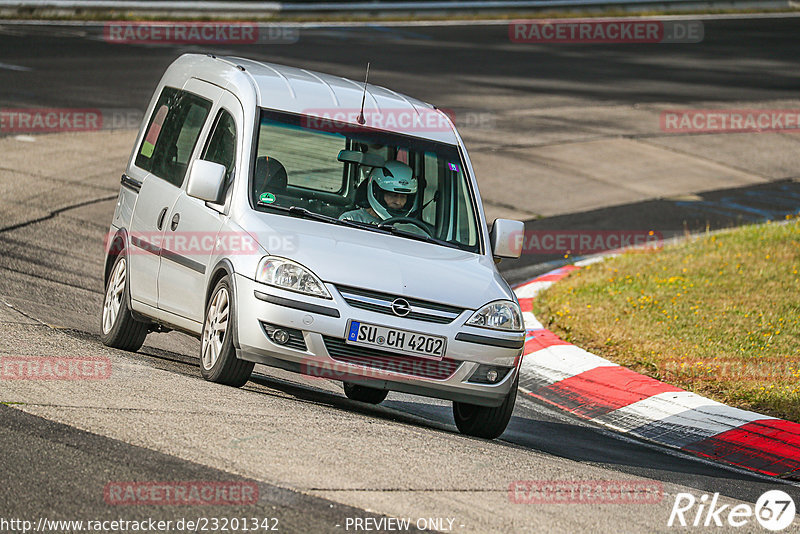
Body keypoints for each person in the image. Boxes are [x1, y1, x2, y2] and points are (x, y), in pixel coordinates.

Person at [340, 160, 418, 225]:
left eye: (403, 197)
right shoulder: (351, 220)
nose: (398, 202)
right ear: (376, 193)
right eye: (393, 195)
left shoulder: (409, 228)